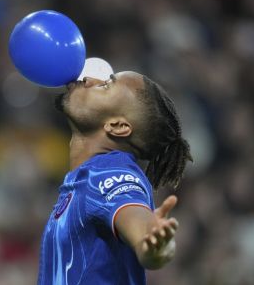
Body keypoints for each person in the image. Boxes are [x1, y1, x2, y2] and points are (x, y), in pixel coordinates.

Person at [38, 71, 192, 284]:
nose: (88, 80)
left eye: (105, 86)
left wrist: (151, 242)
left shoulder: (110, 173)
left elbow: (136, 218)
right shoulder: (85, 178)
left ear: (118, 126)